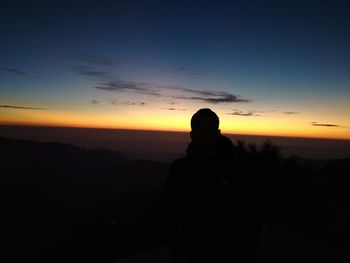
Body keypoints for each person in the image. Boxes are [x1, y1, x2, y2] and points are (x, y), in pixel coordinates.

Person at [161, 108, 261, 263]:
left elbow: (251, 214)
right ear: (192, 134)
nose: (205, 133)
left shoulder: (239, 168)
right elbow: (170, 213)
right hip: (193, 252)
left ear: (218, 132)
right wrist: (177, 251)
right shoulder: (180, 169)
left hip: (232, 252)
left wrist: (247, 252)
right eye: (200, 128)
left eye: (210, 128)